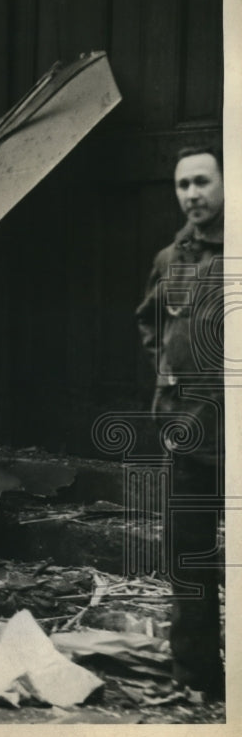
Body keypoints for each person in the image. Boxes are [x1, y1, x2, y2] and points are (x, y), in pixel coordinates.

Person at [135, 145, 225, 699]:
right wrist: (170, 377)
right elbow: (150, 326)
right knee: (189, 561)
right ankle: (196, 677)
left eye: (202, 182)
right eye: (182, 185)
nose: (192, 194)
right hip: (189, 434)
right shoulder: (171, 260)